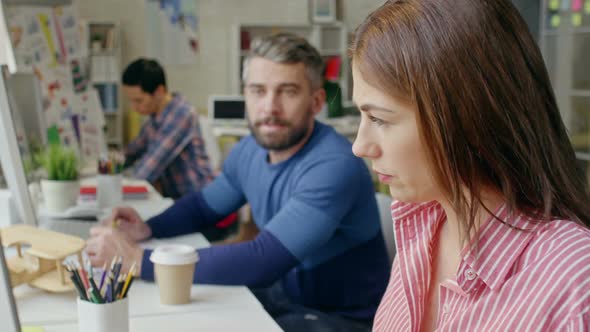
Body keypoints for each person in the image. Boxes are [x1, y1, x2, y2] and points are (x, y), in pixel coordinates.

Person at [86, 33, 391, 332]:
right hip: (285, 298)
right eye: (258, 90)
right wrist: (150, 228)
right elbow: (203, 207)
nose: (270, 107)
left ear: (316, 101)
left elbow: (263, 259)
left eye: (287, 91)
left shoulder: (335, 165)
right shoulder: (249, 150)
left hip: (339, 319)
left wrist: (140, 260)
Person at [350, 0, 590, 331]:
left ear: (466, 116)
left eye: (379, 118)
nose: (360, 146)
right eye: (362, 116)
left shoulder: (573, 280)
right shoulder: (419, 227)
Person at [121, 58, 213, 199]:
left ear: (159, 92)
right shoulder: (154, 118)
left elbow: (147, 169)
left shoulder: (181, 114)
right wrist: (110, 163)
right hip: (179, 200)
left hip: (201, 201)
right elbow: (132, 151)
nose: (134, 107)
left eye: (138, 100)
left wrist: (119, 183)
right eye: (131, 101)